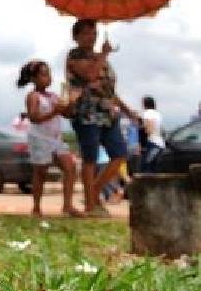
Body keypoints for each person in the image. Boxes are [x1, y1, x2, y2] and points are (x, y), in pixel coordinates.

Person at [65, 19, 137, 217]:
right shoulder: (74, 55)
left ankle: (95, 189)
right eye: (86, 32)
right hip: (87, 113)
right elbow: (89, 75)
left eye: (93, 31)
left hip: (107, 113)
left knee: (120, 154)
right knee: (90, 159)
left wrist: (128, 111)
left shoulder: (100, 58)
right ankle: (90, 204)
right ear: (76, 36)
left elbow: (109, 89)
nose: (92, 36)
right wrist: (104, 54)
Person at [17, 60, 82, 218]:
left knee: (70, 167)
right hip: (40, 138)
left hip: (55, 138)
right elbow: (33, 117)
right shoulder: (33, 96)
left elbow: (67, 113)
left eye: (49, 74)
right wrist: (54, 111)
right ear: (34, 78)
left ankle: (67, 205)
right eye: (44, 75)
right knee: (40, 172)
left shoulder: (53, 96)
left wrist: (72, 102)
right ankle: (36, 207)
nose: (48, 78)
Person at [140, 96, 165, 172]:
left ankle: (146, 183)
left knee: (146, 166)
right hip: (160, 143)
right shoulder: (158, 114)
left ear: (145, 104)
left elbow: (149, 129)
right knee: (153, 167)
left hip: (152, 143)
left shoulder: (147, 113)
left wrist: (143, 128)